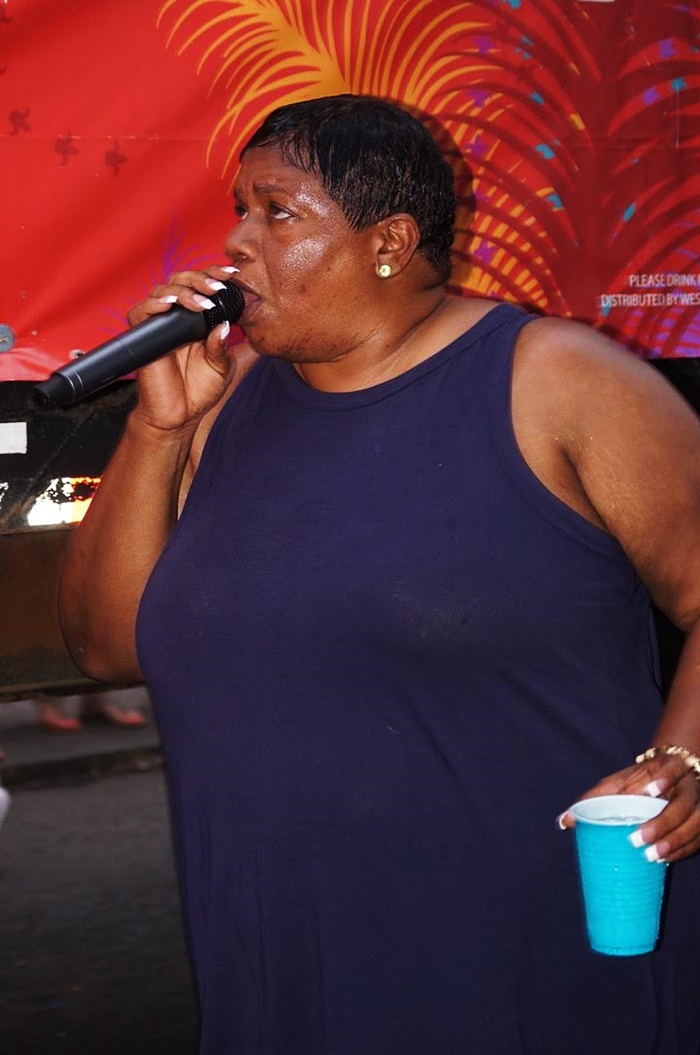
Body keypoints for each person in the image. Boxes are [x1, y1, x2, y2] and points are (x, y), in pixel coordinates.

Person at [56, 95, 700, 1054]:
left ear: (389, 242)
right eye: (240, 210)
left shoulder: (554, 380)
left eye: (278, 212)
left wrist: (685, 758)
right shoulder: (222, 403)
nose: (236, 242)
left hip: (517, 954)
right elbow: (107, 648)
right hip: (276, 948)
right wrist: (158, 430)